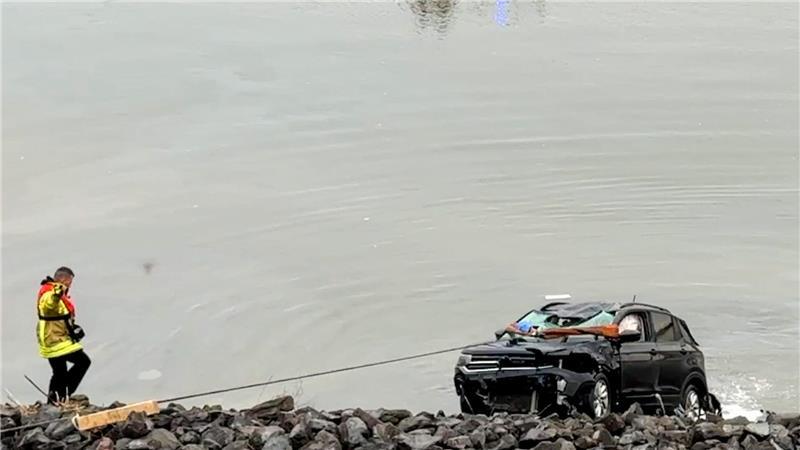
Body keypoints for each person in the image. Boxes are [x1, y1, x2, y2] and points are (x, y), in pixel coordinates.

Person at [37, 266, 91, 404]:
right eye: (70, 282)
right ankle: (63, 394)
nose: (70, 285)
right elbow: (49, 304)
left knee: (59, 372)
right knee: (83, 362)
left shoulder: (56, 293)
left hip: (54, 338)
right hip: (55, 340)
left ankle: (53, 400)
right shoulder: (50, 294)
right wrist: (57, 293)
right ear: (64, 280)